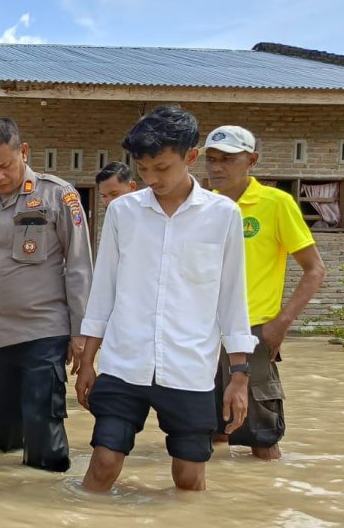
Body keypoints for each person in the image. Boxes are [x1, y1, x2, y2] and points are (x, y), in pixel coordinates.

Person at [76, 105, 257, 492]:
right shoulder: (124, 213)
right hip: (125, 363)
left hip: (189, 367)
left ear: (190, 157)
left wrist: (239, 377)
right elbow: (103, 288)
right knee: (104, 463)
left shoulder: (223, 215)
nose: (151, 178)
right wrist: (87, 360)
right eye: (143, 169)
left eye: (162, 167)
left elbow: (231, 298)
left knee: (189, 477)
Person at [0, 117, 94, 472]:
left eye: (5, 166)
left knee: (44, 432)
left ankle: (45, 505)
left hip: (44, 333)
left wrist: (80, 333)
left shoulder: (58, 196)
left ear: (23, 152)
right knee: (2, 434)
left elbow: (79, 268)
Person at [204, 124, 326, 459]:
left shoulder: (276, 203)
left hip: (255, 331)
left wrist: (280, 324)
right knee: (209, 433)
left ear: (252, 160)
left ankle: (269, 505)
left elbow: (314, 270)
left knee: (261, 437)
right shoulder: (203, 206)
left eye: (227, 159)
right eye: (211, 159)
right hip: (205, 333)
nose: (216, 167)